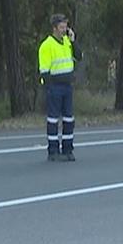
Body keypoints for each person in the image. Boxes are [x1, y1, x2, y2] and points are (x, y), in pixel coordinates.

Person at [38, 13, 79, 162]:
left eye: (65, 26)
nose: (64, 30)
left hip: (67, 87)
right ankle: (53, 150)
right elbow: (44, 71)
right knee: (53, 120)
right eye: (61, 27)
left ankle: (68, 149)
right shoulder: (46, 45)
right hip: (54, 87)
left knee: (69, 119)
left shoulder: (68, 42)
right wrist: (48, 88)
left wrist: (74, 42)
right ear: (54, 28)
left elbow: (78, 56)